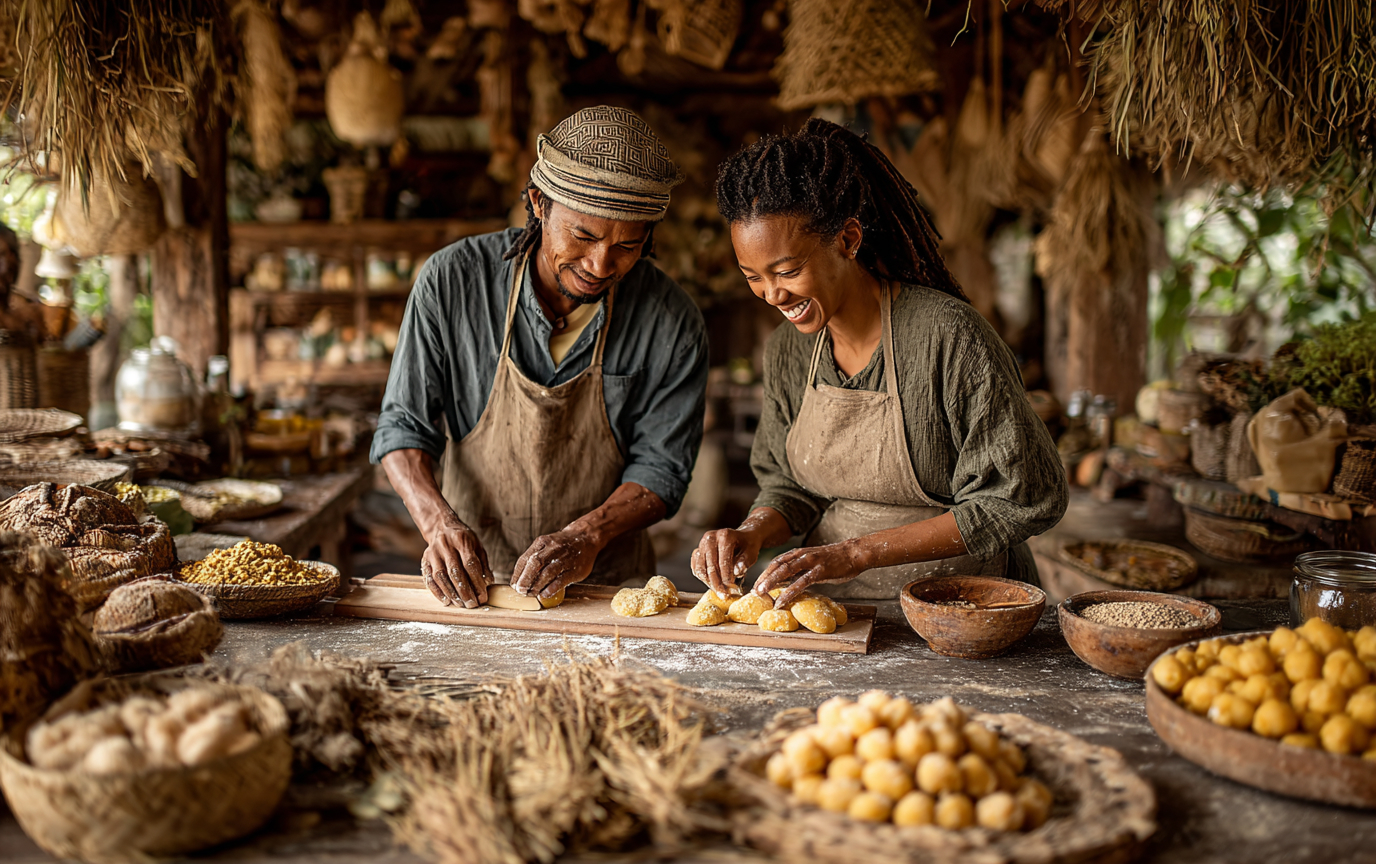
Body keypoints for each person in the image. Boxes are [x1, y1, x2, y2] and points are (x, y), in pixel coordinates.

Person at [693, 119, 1066, 610]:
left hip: (960, 608)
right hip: (838, 605)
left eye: (787, 271)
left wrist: (858, 552)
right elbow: (789, 485)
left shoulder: (946, 336)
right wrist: (752, 531)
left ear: (848, 240)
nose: (772, 294)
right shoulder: (789, 350)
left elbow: (1018, 498)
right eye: (753, 278)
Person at [373, 106, 709, 608]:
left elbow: (662, 469)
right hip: (476, 586)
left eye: (627, 247)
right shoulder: (453, 281)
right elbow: (402, 427)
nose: (600, 265)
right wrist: (438, 524)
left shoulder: (672, 320)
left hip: (605, 591)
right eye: (585, 236)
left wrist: (588, 536)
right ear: (539, 204)